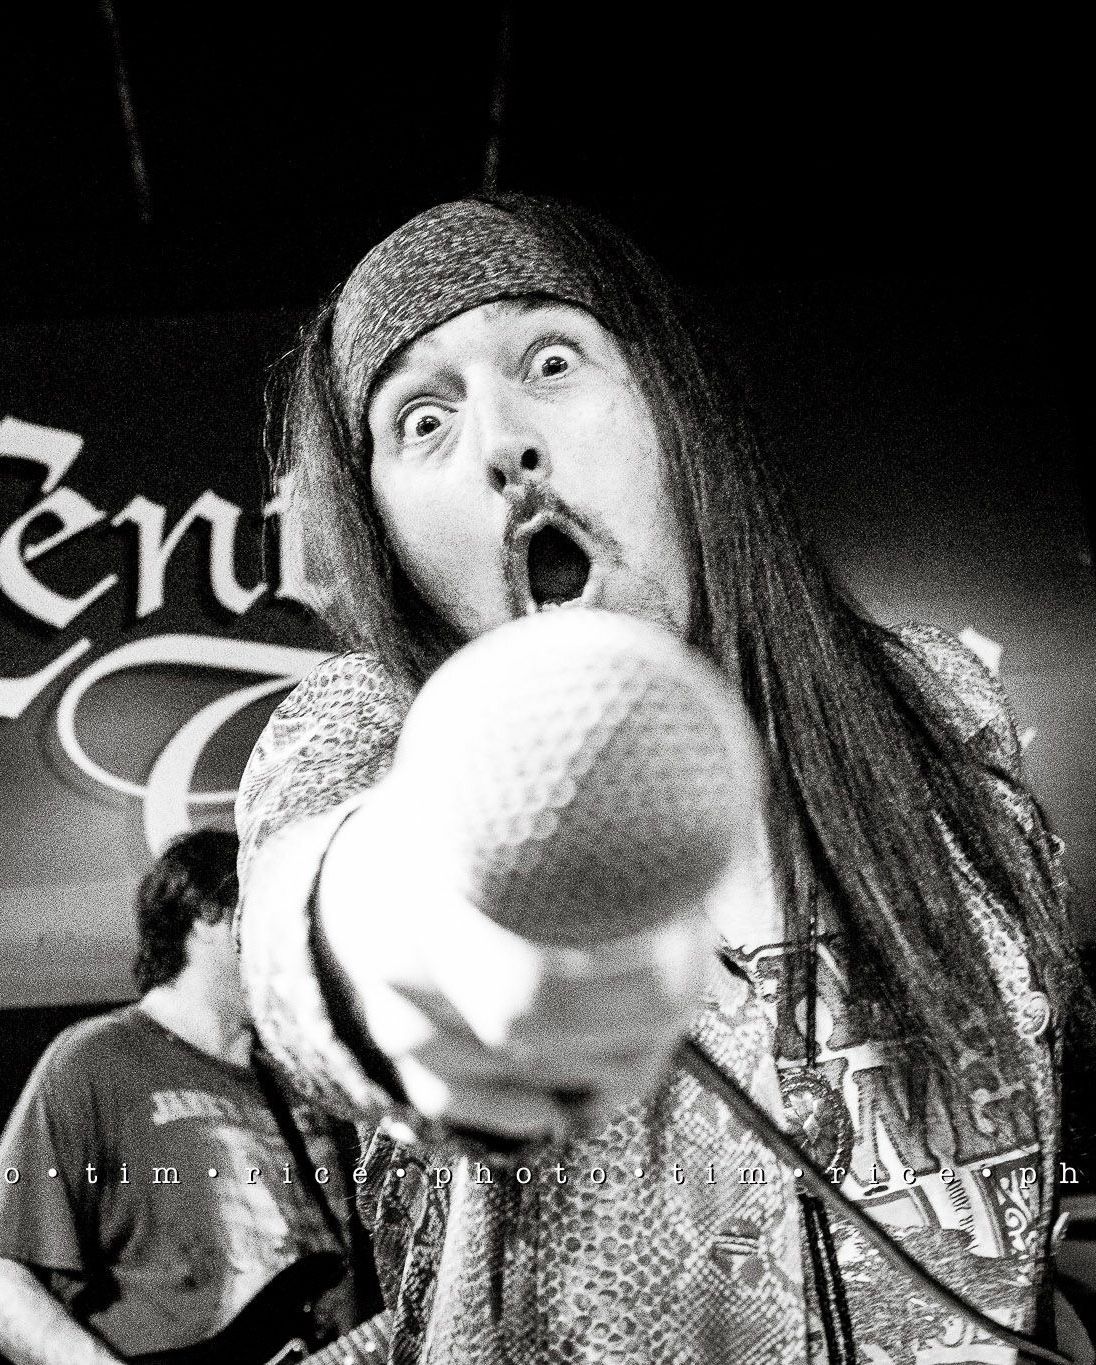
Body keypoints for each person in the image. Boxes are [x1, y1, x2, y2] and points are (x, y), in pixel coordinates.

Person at [234, 195, 1086, 1363]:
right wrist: (439, 934)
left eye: (550, 360)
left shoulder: (933, 701)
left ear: (672, 406)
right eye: (422, 420)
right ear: (385, 532)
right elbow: (312, 936)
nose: (502, 444)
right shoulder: (364, 733)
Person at [0, 828, 373, 1365]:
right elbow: (8, 1277)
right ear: (208, 916)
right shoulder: (94, 1059)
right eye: (270, 915)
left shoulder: (307, 1080)